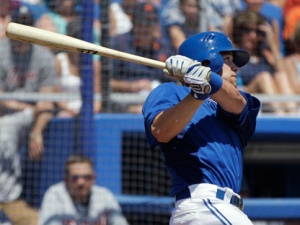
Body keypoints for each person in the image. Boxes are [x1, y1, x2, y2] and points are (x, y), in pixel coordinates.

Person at [142, 31, 261, 224]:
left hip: (216, 210)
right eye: (228, 59)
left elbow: (237, 102)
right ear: (208, 60)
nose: (235, 67)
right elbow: (161, 131)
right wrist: (197, 95)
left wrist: (207, 80)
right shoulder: (170, 92)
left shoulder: (233, 102)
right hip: (204, 203)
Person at [0, 5, 57, 225]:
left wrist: (36, 131)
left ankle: (8, 197)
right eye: (18, 25)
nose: (22, 31)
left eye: (26, 25)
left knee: (5, 131)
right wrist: (28, 107)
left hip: (34, 116)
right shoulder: (2, 52)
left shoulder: (43, 56)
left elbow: (47, 101)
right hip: (9, 113)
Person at [230, 10, 297, 114]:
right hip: (245, 96)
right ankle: (280, 116)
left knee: (281, 76)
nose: (253, 36)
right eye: (247, 30)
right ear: (239, 32)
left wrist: (272, 43)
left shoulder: (266, 55)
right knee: (264, 77)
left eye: (257, 32)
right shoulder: (233, 55)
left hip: (267, 100)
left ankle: (293, 115)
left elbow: (285, 74)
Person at [110, 1, 171, 113]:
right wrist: (132, 86)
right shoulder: (119, 44)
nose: (146, 27)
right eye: (142, 22)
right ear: (133, 21)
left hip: (157, 101)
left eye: (151, 22)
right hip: (124, 102)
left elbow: (173, 81)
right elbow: (104, 82)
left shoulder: (163, 48)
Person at [39, 155, 129, 225]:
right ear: (66, 179)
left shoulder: (104, 195)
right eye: (75, 178)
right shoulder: (55, 195)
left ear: (94, 178)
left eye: (87, 177)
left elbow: (120, 222)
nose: (81, 182)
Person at [55, 16, 102, 117]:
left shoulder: (95, 64)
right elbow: (56, 97)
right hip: (66, 110)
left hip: (89, 112)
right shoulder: (59, 61)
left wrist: (91, 111)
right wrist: (73, 111)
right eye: (76, 38)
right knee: (64, 116)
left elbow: (97, 98)